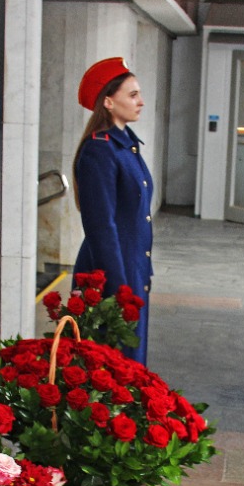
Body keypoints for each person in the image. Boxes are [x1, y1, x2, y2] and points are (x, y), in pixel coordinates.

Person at [72, 57, 154, 364]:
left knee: (131, 361)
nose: (141, 102)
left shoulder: (126, 145)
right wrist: (120, 290)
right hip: (110, 273)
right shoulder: (100, 149)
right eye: (132, 95)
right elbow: (101, 227)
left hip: (132, 269)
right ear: (108, 101)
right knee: (110, 365)